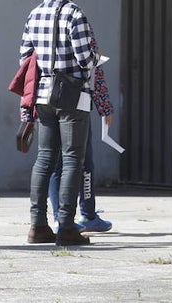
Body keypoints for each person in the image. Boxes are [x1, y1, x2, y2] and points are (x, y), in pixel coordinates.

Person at [21, 0, 98, 246]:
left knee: (44, 159)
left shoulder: (34, 13)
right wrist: (93, 58)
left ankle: (38, 225)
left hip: (42, 96)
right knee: (71, 160)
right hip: (72, 97)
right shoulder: (75, 14)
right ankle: (66, 227)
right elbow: (85, 59)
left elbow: (25, 58)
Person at [48, 62, 114, 232]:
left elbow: (28, 62)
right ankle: (86, 215)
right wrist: (104, 106)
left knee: (55, 164)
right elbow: (91, 66)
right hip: (76, 101)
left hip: (46, 99)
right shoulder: (82, 34)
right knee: (83, 163)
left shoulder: (36, 33)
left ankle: (58, 219)